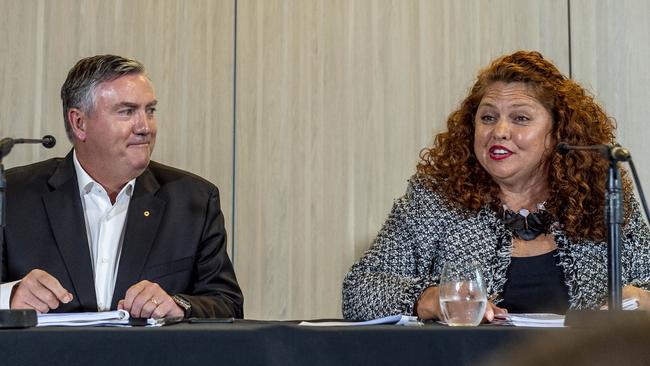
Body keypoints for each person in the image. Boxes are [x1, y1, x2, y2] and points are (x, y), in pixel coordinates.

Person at [342, 50, 650, 321]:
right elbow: (359, 290)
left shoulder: (603, 200)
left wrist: (642, 300)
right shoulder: (435, 199)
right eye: (488, 117)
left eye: (520, 118)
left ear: (559, 133)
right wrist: (429, 299)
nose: (499, 131)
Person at [1, 55, 243, 319]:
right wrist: (9, 296)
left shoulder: (193, 200)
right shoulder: (12, 195)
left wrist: (179, 306)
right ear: (79, 123)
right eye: (127, 111)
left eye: (150, 111)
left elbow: (227, 304)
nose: (144, 127)